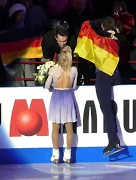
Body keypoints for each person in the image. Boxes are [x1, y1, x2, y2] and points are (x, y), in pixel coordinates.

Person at [87, 17, 126, 156]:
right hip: (115, 74)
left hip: (103, 74)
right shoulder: (116, 38)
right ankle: (114, 140)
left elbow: (87, 26)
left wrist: (96, 24)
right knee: (109, 108)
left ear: (102, 25)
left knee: (106, 109)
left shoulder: (100, 38)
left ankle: (114, 141)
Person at [44, 45, 79, 163]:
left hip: (57, 98)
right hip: (68, 98)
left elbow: (47, 86)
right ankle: (68, 155)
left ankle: (55, 155)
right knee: (69, 128)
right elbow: (74, 87)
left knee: (55, 127)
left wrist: (53, 88)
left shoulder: (53, 70)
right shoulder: (74, 70)